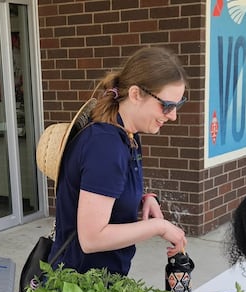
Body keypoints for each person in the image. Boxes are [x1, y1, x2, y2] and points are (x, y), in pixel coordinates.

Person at [48, 46, 188, 276]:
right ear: (135, 94)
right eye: (167, 106)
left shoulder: (127, 132)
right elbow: (91, 239)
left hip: (98, 279)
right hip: (80, 286)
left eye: (178, 104)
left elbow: (107, 188)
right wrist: (159, 227)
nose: (173, 115)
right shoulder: (105, 146)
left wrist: (144, 198)